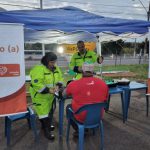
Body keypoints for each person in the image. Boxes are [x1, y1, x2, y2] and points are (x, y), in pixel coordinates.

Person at [63, 63, 108, 135]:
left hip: (81, 117)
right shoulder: (103, 83)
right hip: (98, 116)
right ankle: (92, 126)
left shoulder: (73, 84)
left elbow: (64, 95)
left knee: (68, 107)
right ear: (93, 72)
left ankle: (79, 130)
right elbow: (105, 99)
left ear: (82, 71)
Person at [29, 52, 64, 140]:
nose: (53, 64)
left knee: (48, 112)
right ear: (46, 61)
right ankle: (46, 131)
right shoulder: (39, 69)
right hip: (40, 96)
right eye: (51, 62)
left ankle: (46, 125)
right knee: (43, 114)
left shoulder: (56, 68)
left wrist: (58, 85)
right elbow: (37, 84)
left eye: (54, 62)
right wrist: (49, 90)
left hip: (50, 96)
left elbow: (60, 78)